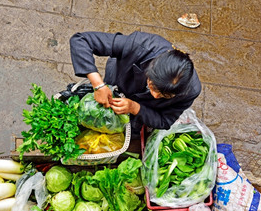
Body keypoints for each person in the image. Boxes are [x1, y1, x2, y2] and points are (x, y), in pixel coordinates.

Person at [70, 31, 201, 137]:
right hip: (119, 79)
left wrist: (135, 108)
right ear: (150, 68)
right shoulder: (140, 45)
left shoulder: (191, 91)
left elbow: (164, 121)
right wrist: (98, 85)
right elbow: (81, 40)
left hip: (141, 111)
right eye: (152, 86)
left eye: (165, 96)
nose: (155, 96)